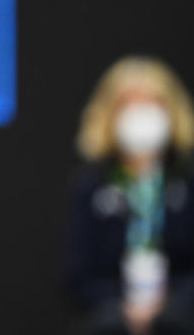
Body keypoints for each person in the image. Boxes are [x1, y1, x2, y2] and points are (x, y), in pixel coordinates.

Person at [65, 56, 194, 335]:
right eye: (129, 103)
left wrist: (171, 306)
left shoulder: (187, 180)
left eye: (152, 103)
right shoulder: (92, 185)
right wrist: (122, 310)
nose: (141, 113)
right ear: (110, 113)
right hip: (112, 323)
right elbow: (79, 276)